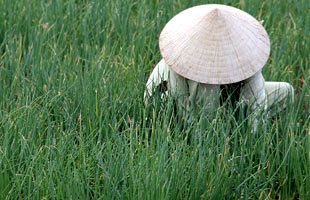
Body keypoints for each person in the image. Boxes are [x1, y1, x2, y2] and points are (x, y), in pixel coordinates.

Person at [145, 4, 294, 130]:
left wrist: (252, 138)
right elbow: (183, 105)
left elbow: (256, 103)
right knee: (208, 89)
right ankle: (216, 128)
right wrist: (199, 138)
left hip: (227, 101)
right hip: (173, 103)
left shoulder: (246, 57)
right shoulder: (181, 58)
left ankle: (230, 125)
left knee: (286, 91)